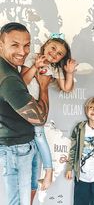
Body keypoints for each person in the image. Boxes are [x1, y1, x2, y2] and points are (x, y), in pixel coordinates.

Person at [20, 33, 77, 201]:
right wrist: (35, 67)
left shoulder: (55, 69)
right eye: (53, 48)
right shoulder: (31, 57)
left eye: (59, 53)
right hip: (24, 104)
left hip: (39, 108)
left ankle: (49, 171)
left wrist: (69, 72)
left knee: (39, 135)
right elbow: (22, 82)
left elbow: (66, 88)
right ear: (45, 45)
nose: (54, 53)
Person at [0, 22, 51, 205]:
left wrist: (35, 68)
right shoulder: (8, 80)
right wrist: (44, 87)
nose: (23, 51)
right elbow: (40, 118)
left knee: (28, 196)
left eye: (27, 45)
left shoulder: (8, 67)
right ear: (1, 44)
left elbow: (18, 85)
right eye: (15, 45)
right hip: (16, 150)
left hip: (23, 144)